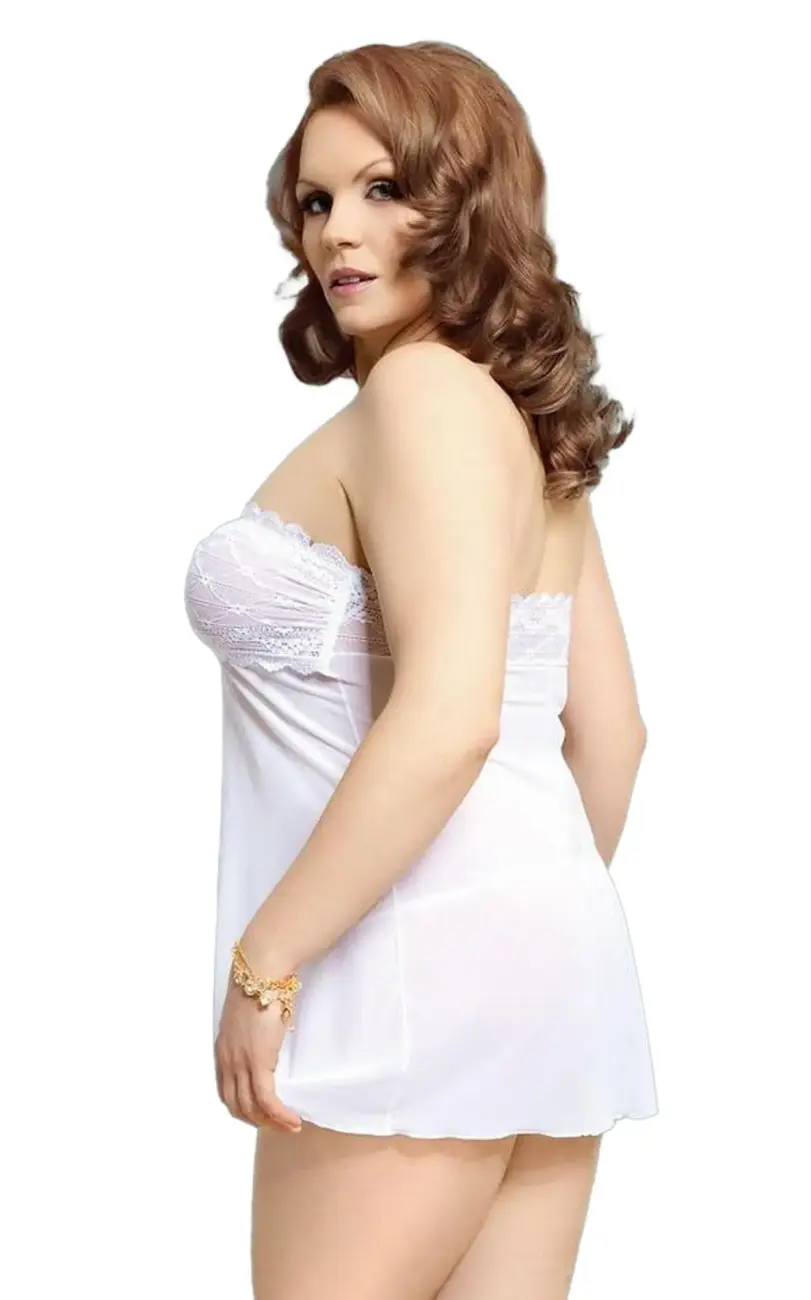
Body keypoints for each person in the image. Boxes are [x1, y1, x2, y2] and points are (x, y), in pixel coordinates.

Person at [183, 38, 658, 1300]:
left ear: (467, 201)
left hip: (397, 976)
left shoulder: (421, 397)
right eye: (317, 198)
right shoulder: (525, 425)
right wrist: (518, 927)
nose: (337, 231)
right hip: (545, 972)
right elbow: (611, 732)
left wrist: (267, 961)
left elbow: (451, 714)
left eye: (384, 188)